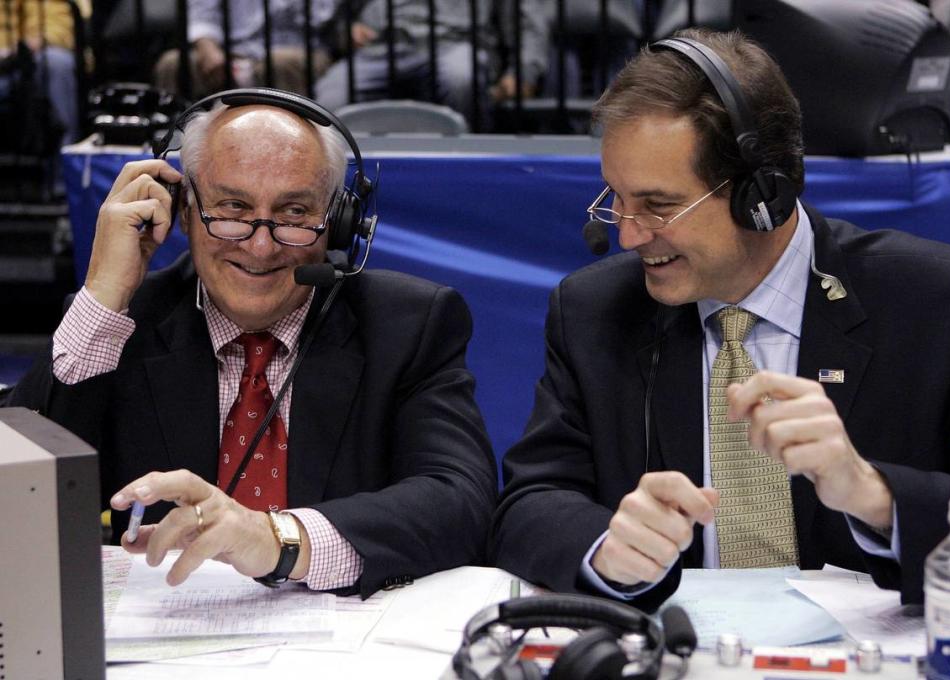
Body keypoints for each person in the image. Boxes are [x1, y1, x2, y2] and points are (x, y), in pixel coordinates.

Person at [489, 28, 950, 609]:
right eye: (616, 198)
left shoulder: (931, 301)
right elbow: (529, 501)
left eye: (658, 205)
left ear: (762, 194)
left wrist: (875, 496)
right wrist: (606, 547)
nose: (627, 235)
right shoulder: (594, 311)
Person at [7, 90, 497, 595]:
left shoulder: (408, 325)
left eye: (293, 212)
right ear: (182, 209)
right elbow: (19, 495)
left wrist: (277, 539)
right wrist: (104, 294)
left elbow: (461, 501)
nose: (260, 246)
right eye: (233, 207)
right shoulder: (120, 324)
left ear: (339, 221)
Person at [314, 0, 549, 128]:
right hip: (382, 45)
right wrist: (347, 29)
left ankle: (468, 164)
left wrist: (525, 70)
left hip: (457, 42)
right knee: (331, 96)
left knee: (460, 76)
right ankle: (341, 186)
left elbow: (526, 18)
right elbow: (337, 15)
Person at [154, 0, 337, 98]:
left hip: (297, 47)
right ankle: (173, 142)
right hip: (231, 48)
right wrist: (208, 49)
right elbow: (201, 14)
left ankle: (295, 138)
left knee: (279, 63)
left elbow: (321, 16)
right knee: (173, 64)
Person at [0, 0, 90, 146]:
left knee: (57, 62)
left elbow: (59, 28)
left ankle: (66, 157)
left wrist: (21, 49)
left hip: (27, 63)